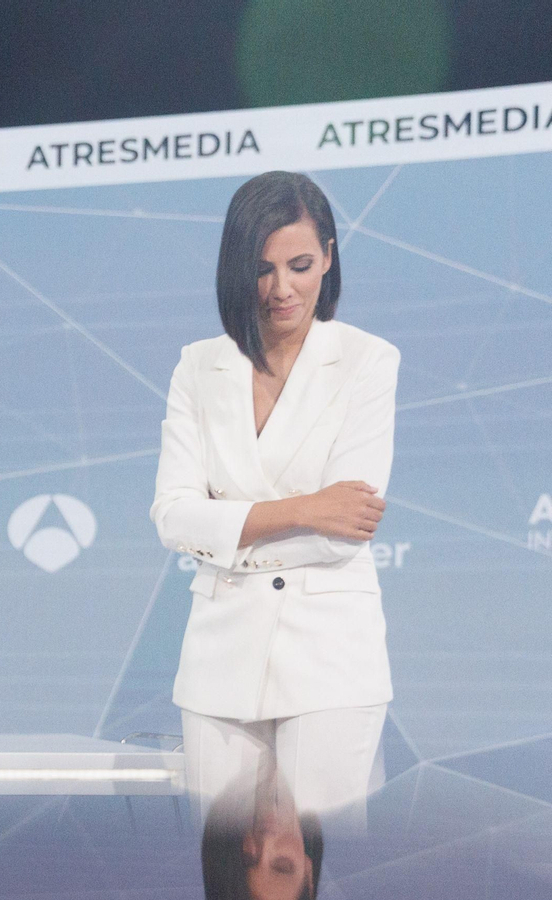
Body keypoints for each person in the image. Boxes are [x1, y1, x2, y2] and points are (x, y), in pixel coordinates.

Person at [152, 170, 397, 817]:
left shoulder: (369, 361)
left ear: (329, 256)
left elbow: (345, 528)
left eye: (300, 264)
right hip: (217, 656)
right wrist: (302, 508)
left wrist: (228, 528)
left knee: (328, 873)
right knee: (224, 871)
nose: (283, 288)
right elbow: (173, 516)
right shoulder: (198, 366)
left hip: (331, 660)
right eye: (263, 269)